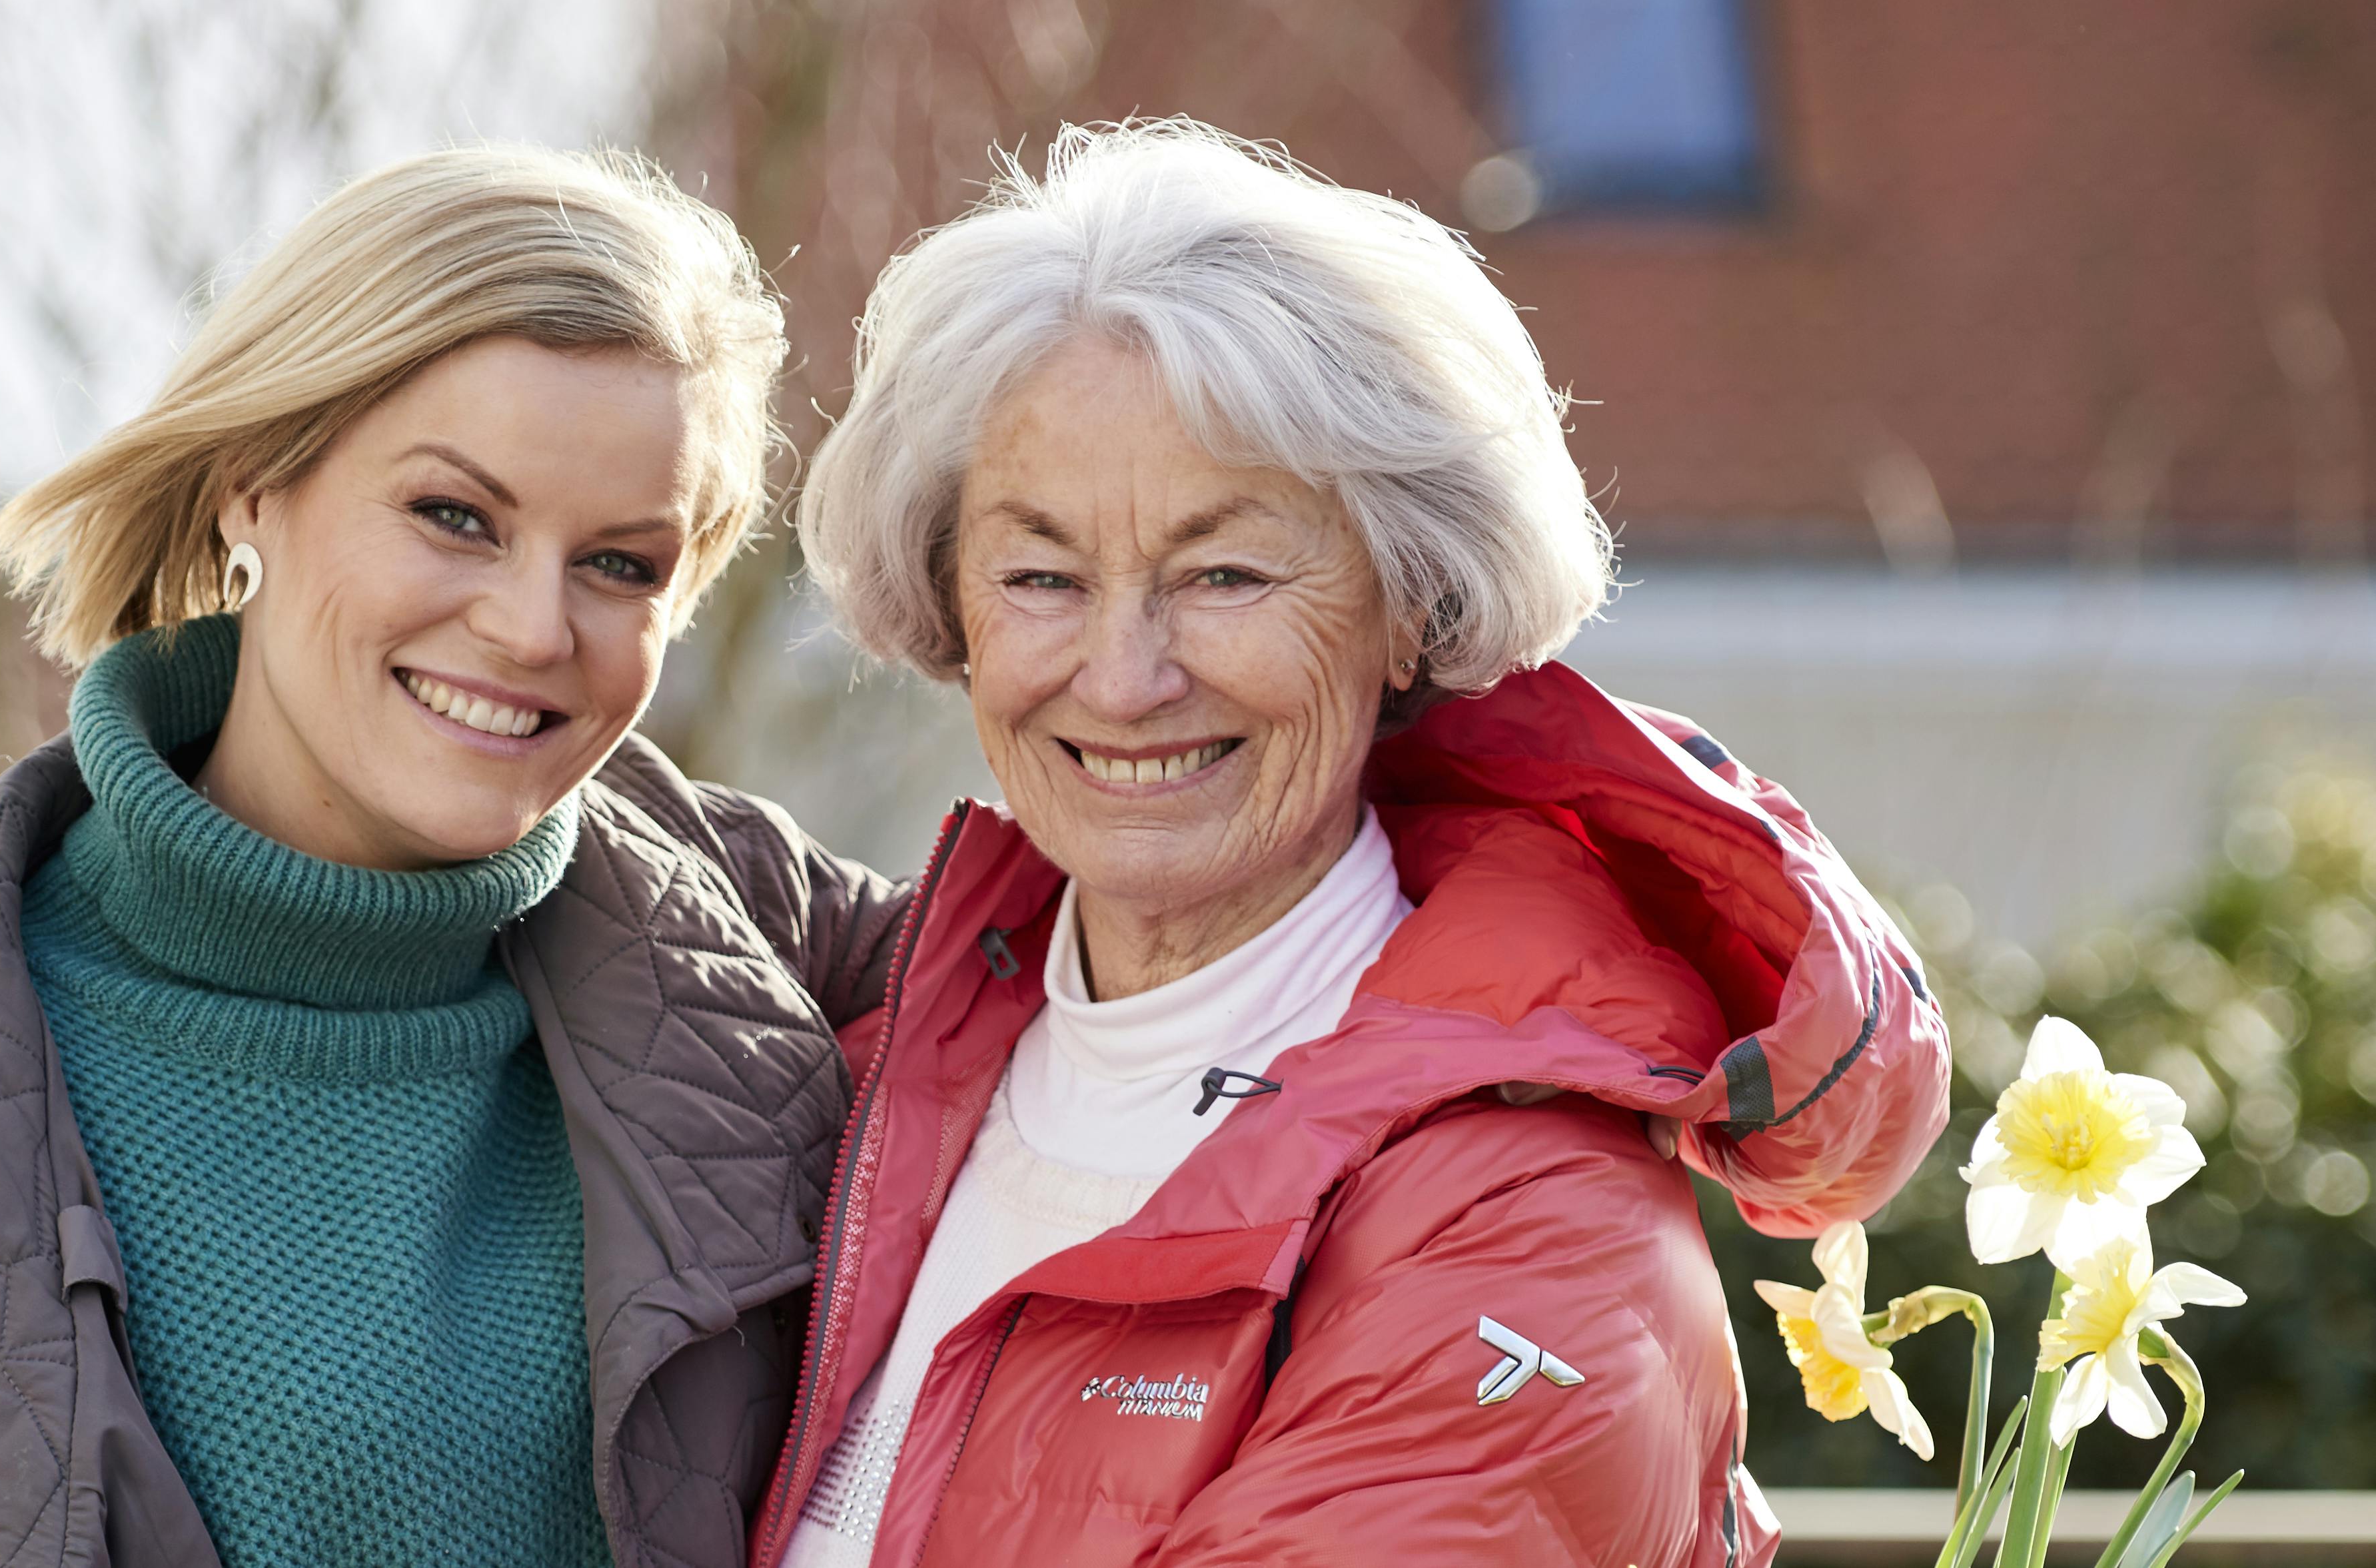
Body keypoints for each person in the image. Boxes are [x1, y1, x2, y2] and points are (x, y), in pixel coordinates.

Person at [0, 145, 916, 1568]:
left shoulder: (797, 974)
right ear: (252, 486)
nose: (529, 626)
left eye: (620, 564)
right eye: (456, 516)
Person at [754, 121, 1951, 1568]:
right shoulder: (857, 1072)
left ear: (1409, 608)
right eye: (1041, 574)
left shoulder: (1530, 1233)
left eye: (1226, 573)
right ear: (950, 608)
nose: (1125, 675)